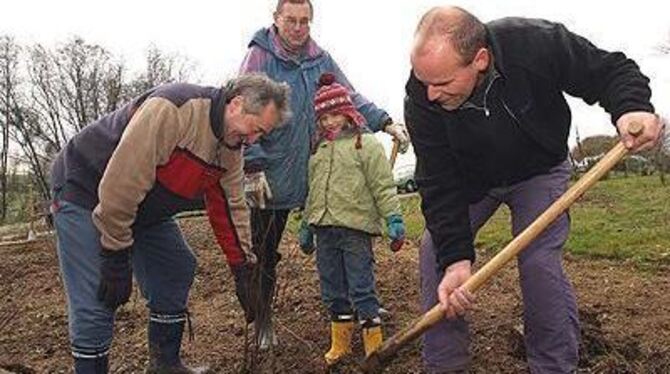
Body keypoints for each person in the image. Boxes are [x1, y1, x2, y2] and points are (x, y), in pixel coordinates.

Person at [404, 6, 663, 373]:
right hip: (472, 180)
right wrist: (457, 260)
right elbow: (437, 180)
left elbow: (609, 70)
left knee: (539, 260)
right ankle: (445, 365)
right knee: (435, 250)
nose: (430, 94)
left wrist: (631, 108)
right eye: (423, 81)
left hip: (539, 171)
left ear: (479, 60)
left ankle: (553, 366)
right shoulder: (420, 98)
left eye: (443, 84)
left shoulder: (533, 43)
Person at [50, 74, 291, 374]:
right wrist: (114, 253)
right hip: (86, 190)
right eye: (255, 129)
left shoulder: (230, 149)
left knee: (175, 266)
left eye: (261, 135)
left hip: (144, 206)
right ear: (237, 104)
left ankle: (165, 364)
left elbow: (231, 208)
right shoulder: (174, 109)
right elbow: (121, 185)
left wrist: (243, 268)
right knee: (96, 298)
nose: (254, 140)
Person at [238, 0, 411, 349]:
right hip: (270, 173)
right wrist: (252, 165)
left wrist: (384, 121)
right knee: (263, 250)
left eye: (305, 21)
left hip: (316, 167)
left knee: (344, 237)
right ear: (276, 20)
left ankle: (360, 303)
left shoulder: (320, 59)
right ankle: (262, 321)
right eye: (291, 20)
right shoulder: (260, 58)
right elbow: (243, 111)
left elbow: (348, 96)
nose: (298, 28)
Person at [299, 73, 406, 366]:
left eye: (336, 114)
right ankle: (341, 344)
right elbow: (314, 192)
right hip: (325, 231)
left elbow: (382, 186)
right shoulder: (318, 150)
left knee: (361, 286)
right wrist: (306, 225)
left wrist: (394, 218)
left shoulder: (366, 144)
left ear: (348, 112)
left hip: (355, 230)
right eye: (324, 117)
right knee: (331, 286)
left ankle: (374, 346)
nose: (330, 121)